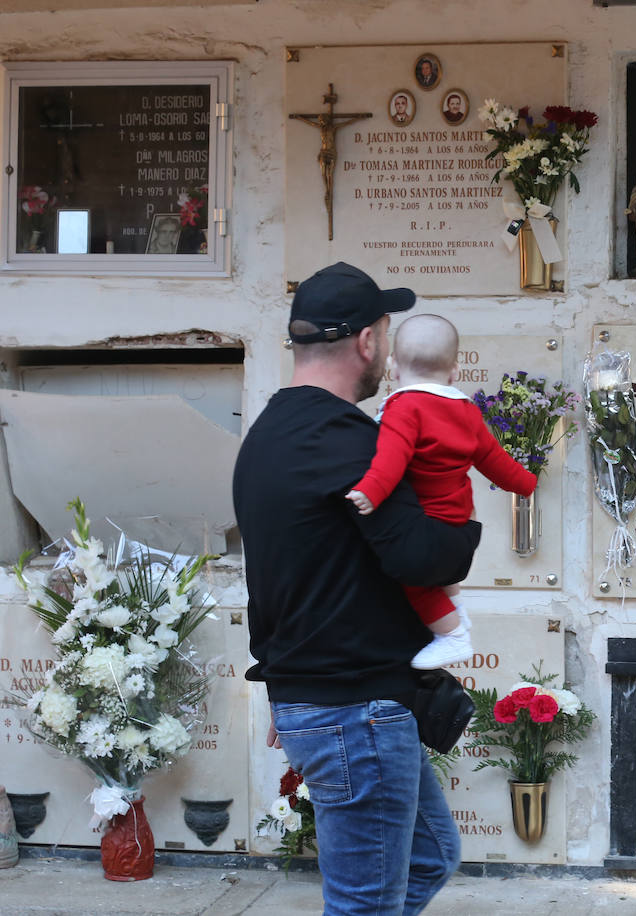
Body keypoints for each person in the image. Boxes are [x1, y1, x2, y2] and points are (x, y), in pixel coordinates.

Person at [234, 261, 479, 915]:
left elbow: (282, 575)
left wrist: (289, 687)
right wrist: (463, 503)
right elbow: (426, 559)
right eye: (387, 333)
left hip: (335, 699)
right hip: (354, 715)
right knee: (364, 905)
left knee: (431, 858)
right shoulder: (350, 442)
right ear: (368, 343)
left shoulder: (269, 435)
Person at [347, 313, 536, 669]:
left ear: (393, 368)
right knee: (437, 576)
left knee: (409, 579)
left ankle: (452, 635)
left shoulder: (404, 408)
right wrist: (525, 483)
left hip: (426, 536)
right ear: (454, 373)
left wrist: (369, 492)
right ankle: (457, 610)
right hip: (461, 534)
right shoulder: (466, 411)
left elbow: (390, 460)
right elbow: (493, 459)